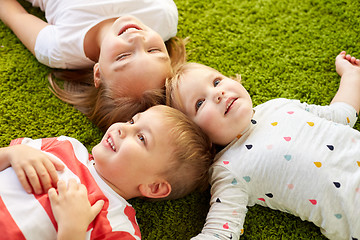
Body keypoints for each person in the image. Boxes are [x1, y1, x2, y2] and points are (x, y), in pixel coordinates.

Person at [166, 51, 360, 240]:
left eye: (216, 81)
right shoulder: (228, 169)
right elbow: (221, 232)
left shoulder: (279, 106)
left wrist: (351, 75)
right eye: (199, 103)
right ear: (197, 136)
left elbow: (340, 116)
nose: (218, 93)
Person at [0, 105, 214, 239]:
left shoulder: (120, 229)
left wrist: (72, 229)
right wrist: (13, 154)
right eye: (132, 121)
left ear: (154, 187)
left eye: (141, 138)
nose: (123, 128)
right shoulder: (66, 146)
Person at [0, 0, 187, 131]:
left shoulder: (58, 49)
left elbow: (13, 13)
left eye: (123, 56)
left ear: (98, 73)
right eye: (154, 50)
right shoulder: (163, 16)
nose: (137, 39)